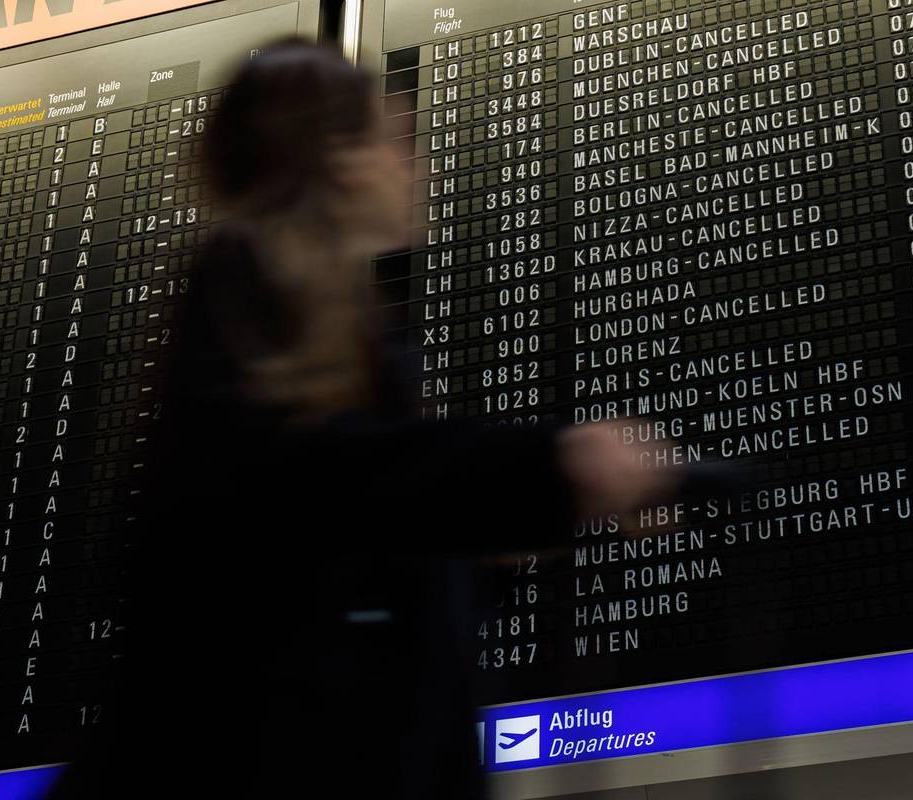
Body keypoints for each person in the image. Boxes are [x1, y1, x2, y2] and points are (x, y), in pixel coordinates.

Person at [49, 39, 674, 798]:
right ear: (337, 159)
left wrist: (485, 560)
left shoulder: (342, 337)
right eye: (398, 142)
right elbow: (321, 481)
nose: (420, 166)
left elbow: (341, 554)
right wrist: (548, 466)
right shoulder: (239, 287)